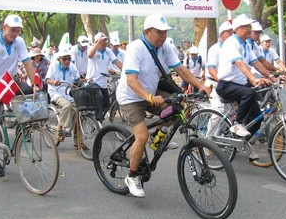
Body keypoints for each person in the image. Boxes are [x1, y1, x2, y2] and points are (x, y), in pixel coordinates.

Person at [116, 14, 210, 198]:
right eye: (158, 32)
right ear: (146, 32)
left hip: (151, 93)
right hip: (131, 97)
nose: (163, 36)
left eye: (165, 32)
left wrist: (201, 87)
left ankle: (157, 138)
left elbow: (181, 70)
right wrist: (149, 97)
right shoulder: (136, 48)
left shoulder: (165, 47)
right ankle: (132, 176)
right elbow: (131, 80)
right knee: (141, 136)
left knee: (177, 110)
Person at [0, 14, 37, 177]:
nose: (15, 34)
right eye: (12, 30)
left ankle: (24, 128)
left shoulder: (19, 42)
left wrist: (35, 84)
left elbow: (27, 63)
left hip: (10, 82)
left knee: (31, 93)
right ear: (4, 27)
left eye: (18, 31)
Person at [216, 14, 275, 160]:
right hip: (226, 85)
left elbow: (256, 63)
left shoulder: (246, 45)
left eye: (250, 27)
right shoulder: (231, 43)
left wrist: (270, 77)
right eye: (246, 27)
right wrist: (253, 78)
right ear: (237, 29)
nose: (250, 29)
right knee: (249, 93)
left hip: (239, 84)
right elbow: (239, 63)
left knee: (257, 119)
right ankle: (237, 123)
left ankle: (245, 145)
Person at [46, 47, 84, 145]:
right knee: (67, 105)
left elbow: (77, 80)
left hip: (68, 93)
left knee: (78, 111)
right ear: (59, 59)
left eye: (69, 59)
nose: (67, 61)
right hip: (56, 93)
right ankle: (60, 128)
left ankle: (78, 141)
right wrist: (54, 81)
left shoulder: (72, 66)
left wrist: (87, 79)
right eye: (64, 59)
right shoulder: (53, 66)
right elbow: (47, 80)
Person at [86, 32, 123, 123]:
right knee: (99, 96)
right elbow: (90, 55)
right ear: (97, 41)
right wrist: (97, 43)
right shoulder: (92, 50)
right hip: (93, 80)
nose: (105, 42)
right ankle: (98, 119)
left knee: (106, 103)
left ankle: (100, 116)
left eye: (106, 40)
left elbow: (116, 62)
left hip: (103, 81)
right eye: (103, 40)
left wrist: (126, 70)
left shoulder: (108, 51)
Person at [205, 21, 233, 110]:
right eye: (228, 33)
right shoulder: (215, 49)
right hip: (215, 84)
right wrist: (221, 81)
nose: (231, 36)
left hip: (228, 85)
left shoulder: (232, 48)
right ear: (221, 34)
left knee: (231, 113)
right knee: (218, 112)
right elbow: (211, 69)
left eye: (232, 33)